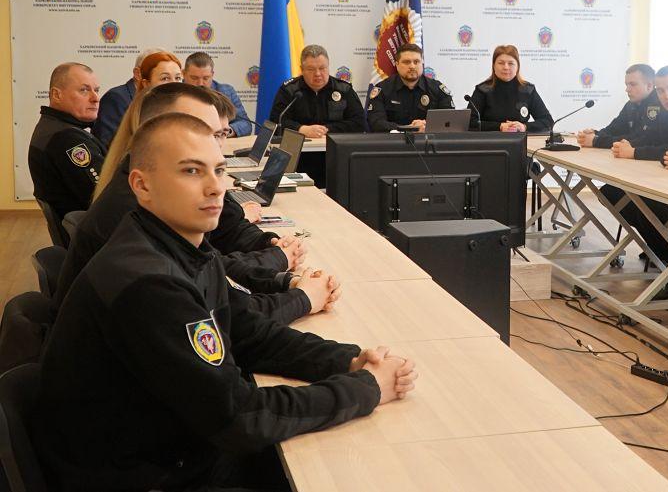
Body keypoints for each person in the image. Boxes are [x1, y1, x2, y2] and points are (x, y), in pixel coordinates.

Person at [33, 112, 417, 492]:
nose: (216, 188)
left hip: (170, 446)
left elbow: (247, 331)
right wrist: (367, 388)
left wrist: (347, 361)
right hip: (140, 474)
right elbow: (238, 416)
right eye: (191, 171)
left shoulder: (183, 246)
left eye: (218, 170)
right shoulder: (149, 282)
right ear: (142, 185)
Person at [55, 84, 319, 327]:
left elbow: (214, 271)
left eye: (218, 134)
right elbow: (226, 322)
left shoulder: (156, 199)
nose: (216, 187)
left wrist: (282, 279)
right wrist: (299, 294)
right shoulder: (137, 216)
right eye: (199, 130)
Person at [597, 66, 668, 296]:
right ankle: (667, 254)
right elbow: (646, 137)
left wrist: (635, 152)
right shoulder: (661, 109)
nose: (666, 96)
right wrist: (614, 142)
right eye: (661, 91)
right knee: (613, 193)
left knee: (653, 206)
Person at [94, 51, 184, 199]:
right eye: (165, 78)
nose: (173, 84)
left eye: (178, 78)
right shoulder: (142, 122)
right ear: (146, 84)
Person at [28, 62, 106, 222]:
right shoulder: (67, 139)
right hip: (98, 231)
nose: (95, 98)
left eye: (96, 90)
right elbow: (104, 196)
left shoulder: (52, 127)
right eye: (84, 90)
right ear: (57, 95)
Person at [268, 44, 366, 137]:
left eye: (322, 68)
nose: (317, 74)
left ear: (328, 67)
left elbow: (360, 122)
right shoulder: (289, 90)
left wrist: (326, 130)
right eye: (311, 69)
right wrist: (301, 129)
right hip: (300, 146)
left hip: (335, 146)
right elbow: (275, 121)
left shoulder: (343, 89)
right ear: (302, 70)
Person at [366, 43, 455, 132]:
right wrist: (409, 129)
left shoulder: (437, 89)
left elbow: (450, 120)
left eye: (416, 62)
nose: (412, 66)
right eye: (406, 62)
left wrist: (427, 127)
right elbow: (376, 123)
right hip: (395, 140)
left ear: (422, 63)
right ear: (397, 65)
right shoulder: (383, 89)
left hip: (430, 139)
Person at [467, 45, 554, 132]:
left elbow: (548, 121)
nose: (506, 67)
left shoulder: (528, 90)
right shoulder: (482, 90)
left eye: (511, 63)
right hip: (490, 139)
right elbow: (469, 122)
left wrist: (524, 127)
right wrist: (499, 126)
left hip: (521, 139)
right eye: (501, 63)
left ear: (517, 67)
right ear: (493, 66)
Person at [94, 47, 165, 146]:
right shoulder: (116, 98)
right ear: (138, 73)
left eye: (176, 77)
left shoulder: (166, 102)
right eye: (163, 77)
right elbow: (109, 144)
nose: (171, 83)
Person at [577, 64, 660, 148]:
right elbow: (613, 129)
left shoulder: (658, 104)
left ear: (649, 86)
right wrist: (595, 134)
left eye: (633, 84)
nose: (627, 89)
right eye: (627, 85)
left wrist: (596, 141)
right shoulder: (630, 105)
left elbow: (641, 139)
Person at [184, 51, 253, 137]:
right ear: (184, 74)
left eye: (206, 78)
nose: (200, 83)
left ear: (212, 75)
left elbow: (246, 124)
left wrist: (225, 131)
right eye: (194, 78)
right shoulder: (175, 93)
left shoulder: (226, 92)